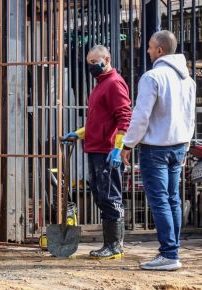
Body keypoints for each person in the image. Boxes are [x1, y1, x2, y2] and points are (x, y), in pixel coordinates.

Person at [121, 30, 195, 271]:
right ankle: (172, 251)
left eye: (151, 47)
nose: (148, 51)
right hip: (179, 146)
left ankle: (168, 253)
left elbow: (141, 116)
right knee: (173, 199)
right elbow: (190, 117)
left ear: (160, 50)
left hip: (155, 150)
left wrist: (128, 144)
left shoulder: (152, 77)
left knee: (160, 201)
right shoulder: (188, 80)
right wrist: (185, 144)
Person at [62, 45, 131, 259]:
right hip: (95, 149)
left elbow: (125, 118)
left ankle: (114, 247)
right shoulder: (100, 85)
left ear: (107, 59)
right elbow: (98, 121)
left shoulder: (113, 84)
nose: (91, 67)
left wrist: (118, 149)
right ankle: (110, 244)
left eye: (95, 62)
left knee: (110, 197)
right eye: (89, 63)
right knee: (101, 196)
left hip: (106, 152)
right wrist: (79, 133)